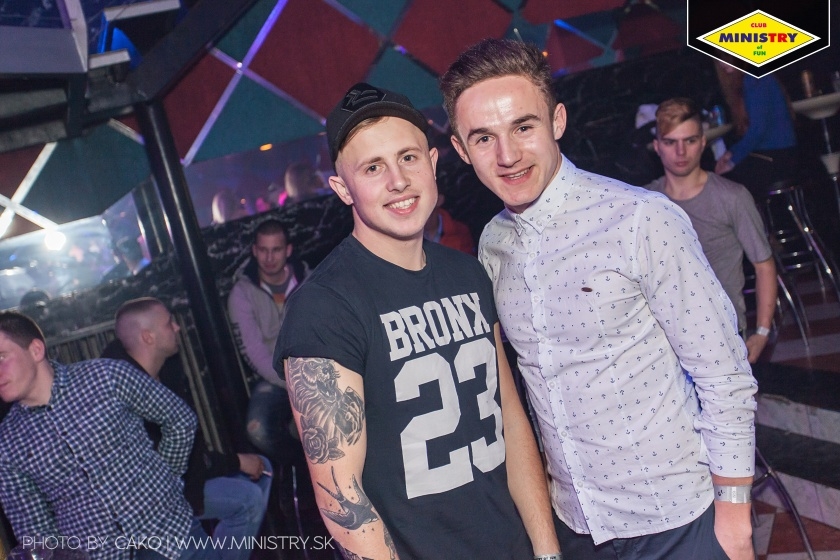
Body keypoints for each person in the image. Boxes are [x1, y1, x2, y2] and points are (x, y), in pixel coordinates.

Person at [441, 39, 757, 560]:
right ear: (460, 149)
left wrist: (736, 519)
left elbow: (724, 375)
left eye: (524, 127)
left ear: (557, 121)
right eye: (483, 138)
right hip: (576, 525)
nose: (507, 155)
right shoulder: (493, 245)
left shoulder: (640, 219)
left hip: (676, 520)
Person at [275, 82, 560, 559]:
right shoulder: (324, 307)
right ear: (343, 189)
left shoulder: (468, 273)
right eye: (373, 167)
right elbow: (342, 500)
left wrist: (547, 551)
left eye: (407, 158)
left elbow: (510, 421)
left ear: (432, 162)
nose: (398, 181)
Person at [0, 311, 201, 560]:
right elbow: (36, 532)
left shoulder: (104, 377)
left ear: (36, 350)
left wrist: (166, 481)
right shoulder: (7, 443)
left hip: (173, 536)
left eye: (2, 357)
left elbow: (179, 419)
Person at [102, 297, 271, 560]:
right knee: (248, 497)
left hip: (179, 481)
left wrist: (231, 462)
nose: (178, 327)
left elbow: (189, 453)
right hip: (154, 505)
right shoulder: (123, 395)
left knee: (261, 470)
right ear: (148, 337)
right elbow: (167, 470)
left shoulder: (166, 369)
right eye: (169, 323)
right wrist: (235, 462)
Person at [647, 97, 777, 362]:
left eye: (690, 141)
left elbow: (764, 264)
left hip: (723, 334)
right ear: (657, 147)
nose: (681, 152)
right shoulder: (645, 202)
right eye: (671, 142)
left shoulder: (731, 197)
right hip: (663, 343)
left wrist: (762, 332)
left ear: (703, 142)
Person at [227, 219, 306, 462]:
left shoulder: (309, 279)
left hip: (318, 368)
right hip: (274, 378)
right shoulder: (242, 294)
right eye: (263, 250)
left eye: (276, 250)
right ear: (254, 251)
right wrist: (293, 383)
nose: (269, 258)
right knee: (258, 430)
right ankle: (306, 466)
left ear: (288, 250)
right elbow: (254, 352)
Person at [713, 59, 797, 197]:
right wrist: (732, 153)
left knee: (722, 181)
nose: (722, 63)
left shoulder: (753, 78)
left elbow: (757, 131)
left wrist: (732, 160)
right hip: (782, 154)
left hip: (776, 157)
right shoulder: (756, 75)